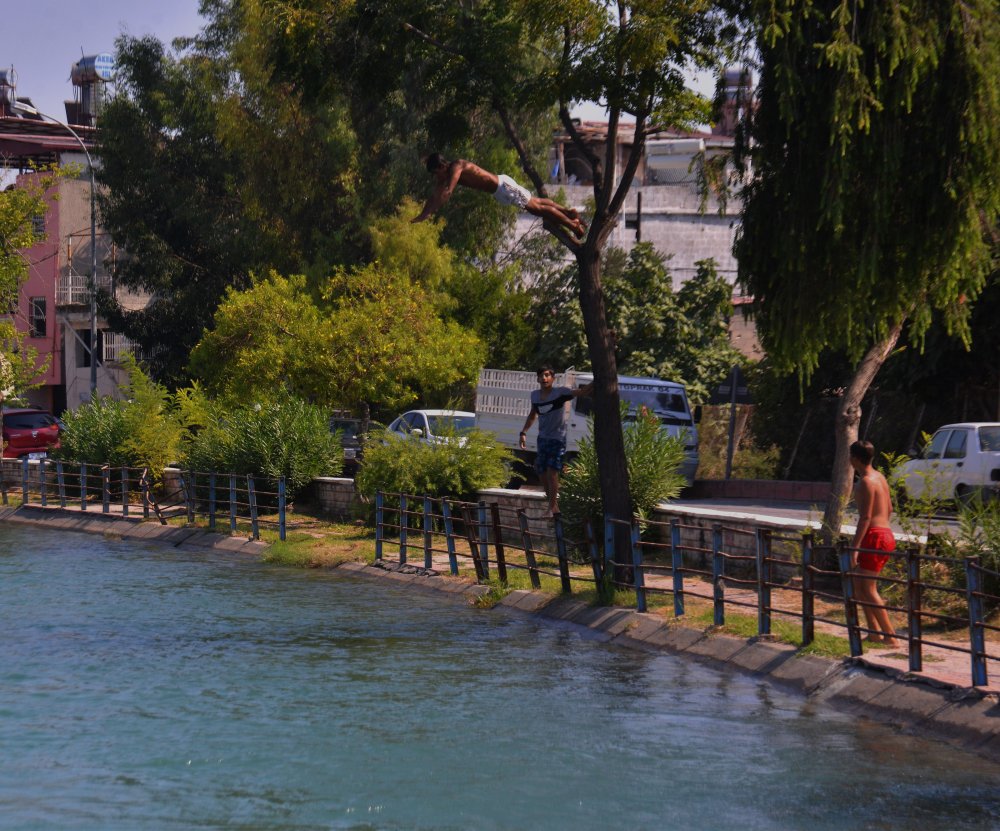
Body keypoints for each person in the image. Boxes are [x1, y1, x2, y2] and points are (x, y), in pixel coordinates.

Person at [413, 153, 586, 238]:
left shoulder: (457, 167)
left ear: (442, 167)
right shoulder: (445, 174)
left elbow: (447, 192)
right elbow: (435, 195)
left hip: (503, 187)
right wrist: (423, 215)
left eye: (436, 173)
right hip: (501, 189)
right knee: (537, 201)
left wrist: (435, 209)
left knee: (538, 209)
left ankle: (573, 225)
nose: (436, 178)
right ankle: (568, 212)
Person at [518, 366, 593, 517]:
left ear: (553, 378)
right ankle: (554, 506)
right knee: (540, 471)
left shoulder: (560, 393)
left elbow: (583, 392)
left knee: (552, 472)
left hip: (557, 438)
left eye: (547, 375)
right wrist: (523, 432)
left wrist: (599, 378)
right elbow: (533, 414)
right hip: (543, 438)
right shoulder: (535, 396)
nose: (544, 378)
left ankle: (551, 508)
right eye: (541, 376)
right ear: (538, 379)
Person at [849, 439, 900, 648]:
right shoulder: (880, 477)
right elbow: (889, 509)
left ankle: (890, 636)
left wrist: (855, 546)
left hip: (875, 536)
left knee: (868, 588)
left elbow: (865, 517)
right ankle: (873, 632)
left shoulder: (866, 482)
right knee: (859, 584)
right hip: (884, 533)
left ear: (855, 459)